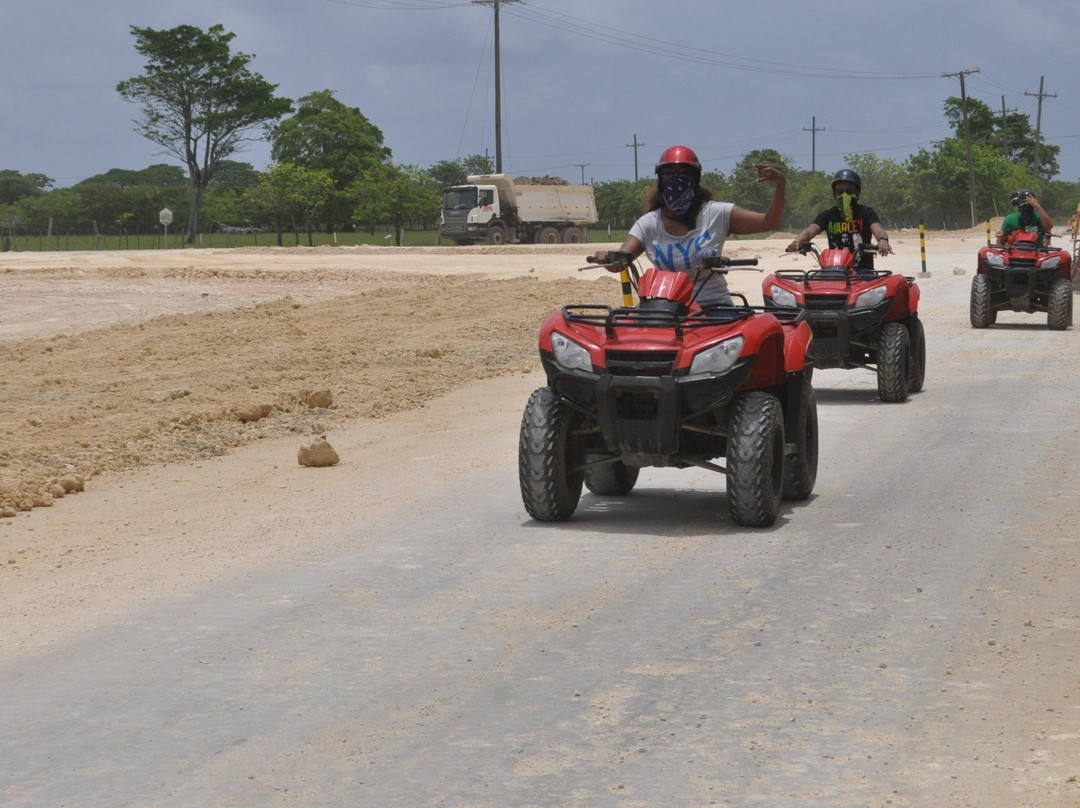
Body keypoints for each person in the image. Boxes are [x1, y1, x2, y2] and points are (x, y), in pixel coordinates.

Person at [591, 145, 785, 308]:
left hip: (714, 306)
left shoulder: (718, 214)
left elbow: (770, 222)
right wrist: (609, 258)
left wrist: (780, 185)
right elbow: (622, 259)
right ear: (661, 180)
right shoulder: (649, 223)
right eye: (669, 173)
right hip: (666, 306)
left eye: (684, 173)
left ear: (695, 179)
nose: (676, 179)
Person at [786, 168, 892, 270]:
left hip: (863, 272)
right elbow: (809, 231)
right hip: (834, 270)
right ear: (834, 194)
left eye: (849, 191)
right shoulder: (828, 215)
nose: (844, 195)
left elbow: (878, 230)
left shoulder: (866, 212)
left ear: (857, 191)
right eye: (840, 192)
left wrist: (883, 240)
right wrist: (797, 241)